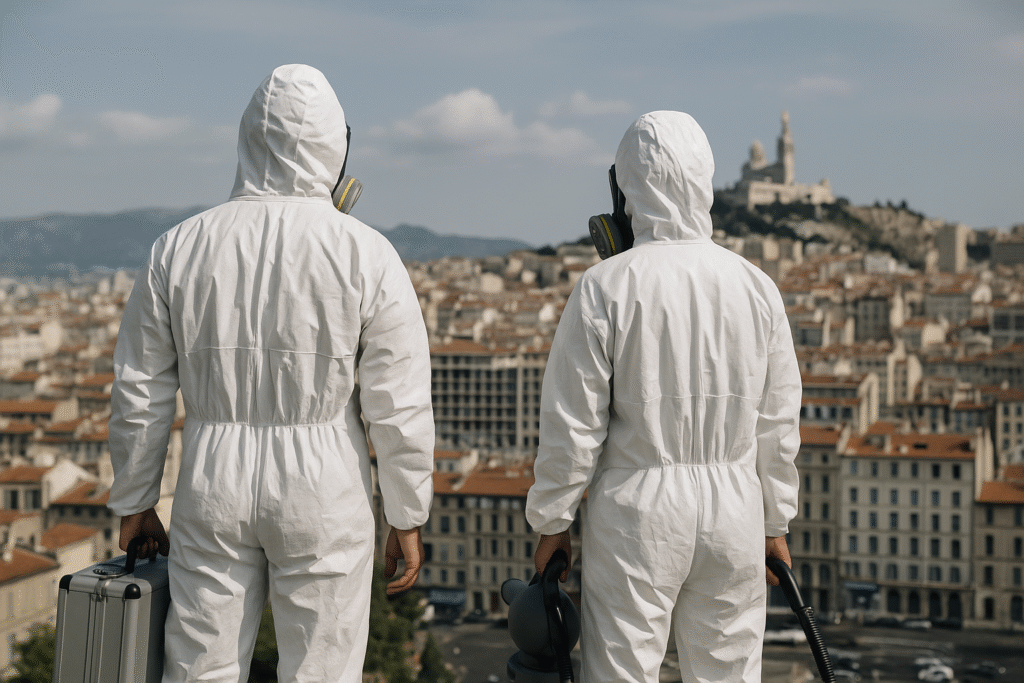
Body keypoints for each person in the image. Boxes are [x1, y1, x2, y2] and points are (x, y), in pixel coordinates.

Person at [108, 64, 435, 683]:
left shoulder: (177, 246)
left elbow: (140, 390)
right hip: (324, 481)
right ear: (337, 147)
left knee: (199, 667)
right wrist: (407, 511)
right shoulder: (368, 252)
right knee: (323, 669)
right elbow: (399, 403)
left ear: (247, 139)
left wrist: (135, 499)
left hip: (211, 477)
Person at [525, 111, 801, 683]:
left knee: (622, 672)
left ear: (625, 190)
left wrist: (553, 521)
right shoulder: (757, 287)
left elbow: (573, 425)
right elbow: (778, 424)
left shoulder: (604, 287)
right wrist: (775, 522)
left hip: (637, 512)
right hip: (735, 510)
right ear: (705, 181)